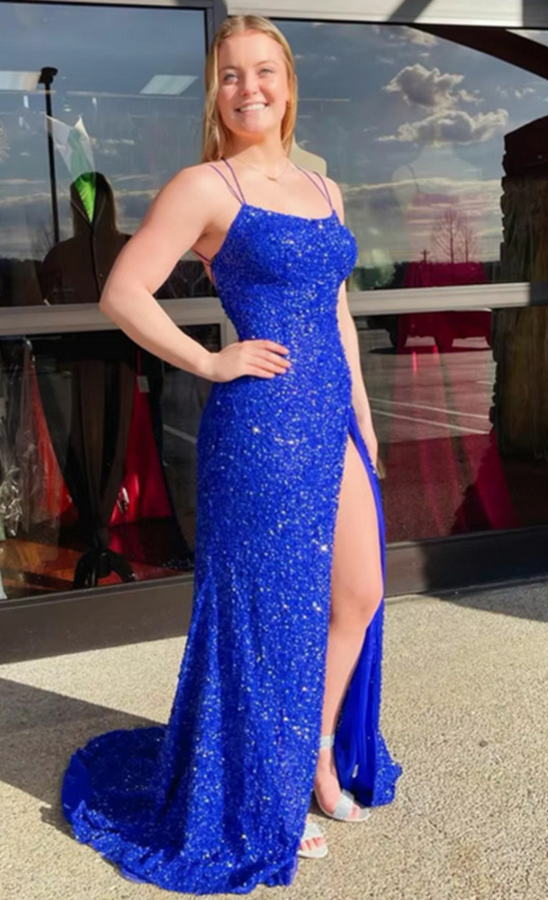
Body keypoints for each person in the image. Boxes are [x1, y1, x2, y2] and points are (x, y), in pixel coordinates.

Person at [61, 15, 401, 893]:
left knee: (358, 595)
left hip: (331, 422)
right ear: (215, 95)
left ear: (288, 84)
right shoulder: (205, 186)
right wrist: (210, 360)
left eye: (263, 71)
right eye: (230, 75)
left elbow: (337, 315)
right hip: (259, 430)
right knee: (265, 618)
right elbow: (123, 292)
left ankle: (314, 754)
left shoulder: (323, 188)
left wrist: (364, 420)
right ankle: (267, 793)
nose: (249, 88)